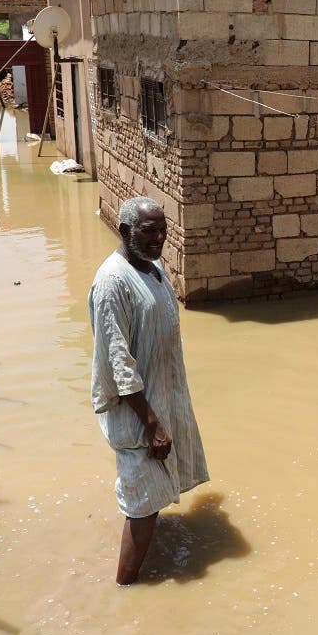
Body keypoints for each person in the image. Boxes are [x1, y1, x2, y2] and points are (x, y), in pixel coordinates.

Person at [89, 197, 209, 584]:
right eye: (149, 231)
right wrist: (151, 422)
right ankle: (125, 589)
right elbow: (117, 362)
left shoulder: (152, 270)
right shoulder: (112, 282)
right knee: (141, 504)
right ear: (125, 231)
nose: (159, 238)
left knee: (151, 497)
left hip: (163, 398)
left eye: (163, 230)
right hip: (139, 413)